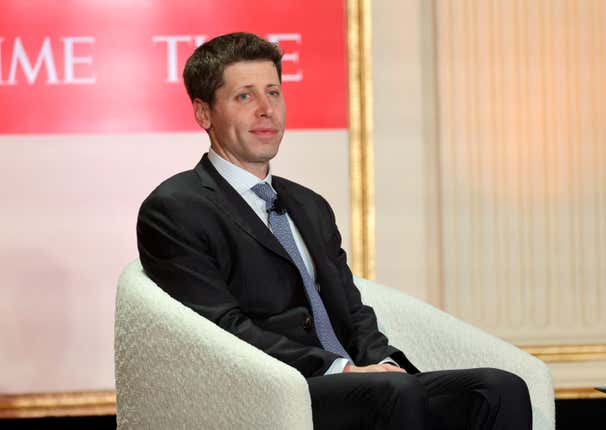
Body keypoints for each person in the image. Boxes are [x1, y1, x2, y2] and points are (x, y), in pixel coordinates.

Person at [137, 32, 532, 429]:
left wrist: (381, 362)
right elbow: (223, 328)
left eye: (273, 93)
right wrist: (339, 370)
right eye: (245, 96)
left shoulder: (309, 204)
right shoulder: (177, 208)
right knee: (396, 393)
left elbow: (351, 308)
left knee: (498, 389)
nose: (266, 109)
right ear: (204, 114)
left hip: (361, 382)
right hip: (278, 387)